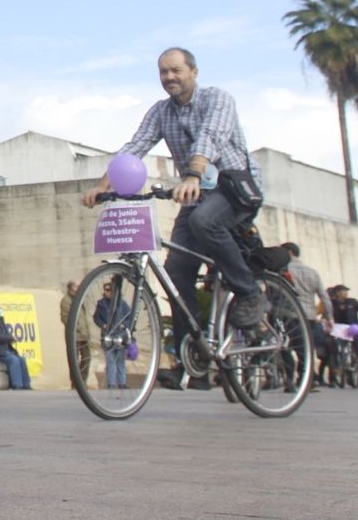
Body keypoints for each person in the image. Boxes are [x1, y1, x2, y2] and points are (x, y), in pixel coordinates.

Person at [82, 48, 267, 368]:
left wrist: (193, 173)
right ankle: (190, 356)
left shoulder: (217, 99)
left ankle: (249, 292)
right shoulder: (161, 111)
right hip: (195, 194)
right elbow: (135, 146)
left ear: (193, 72)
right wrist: (102, 184)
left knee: (204, 222)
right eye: (163, 72)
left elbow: (210, 138)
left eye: (176, 70)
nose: (169, 77)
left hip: (233, 188)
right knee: (176, 271)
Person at [279, 242, 329, 392]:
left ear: (288, 253)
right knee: (305, 349)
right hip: (309, 317)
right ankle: (306, 379)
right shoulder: (312, 272)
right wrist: (329, 317)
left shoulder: (282, 270)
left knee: (285, 345)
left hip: (289, 314)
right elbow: (324, 296)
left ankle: (290, 379)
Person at [0, 302, 32, 389]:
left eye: (0, 308)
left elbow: (5, 334)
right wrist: (10, 338)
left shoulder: (0, 319)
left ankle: (26, 385)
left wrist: (11, 338)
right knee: (14, 360)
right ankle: (17, 385)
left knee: (21, 359)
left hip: (4, 348)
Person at [93, 280, 133, 389]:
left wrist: (124, 325)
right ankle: (111, 383)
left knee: (120, 360)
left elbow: (130, 316)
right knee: (110, 360)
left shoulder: (122, 303)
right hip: (108, 335)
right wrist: (103, 325)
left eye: (110, 290)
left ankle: (122, 382)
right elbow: (96, 318)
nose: (107, 292)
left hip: (120, 335)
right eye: (106, 290)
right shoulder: (101, 304)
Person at [60, 278, 93, 382]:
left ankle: (83, 381)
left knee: (86, 358)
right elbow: (65, 318)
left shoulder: (80, 299)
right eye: (77, 286)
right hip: (74, 335)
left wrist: (86, 331)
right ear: (72, 288)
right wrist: (77, 327)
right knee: (74, 360)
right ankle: (75, 382)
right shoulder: (66, 300)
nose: (80, 288)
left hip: (84, 335)